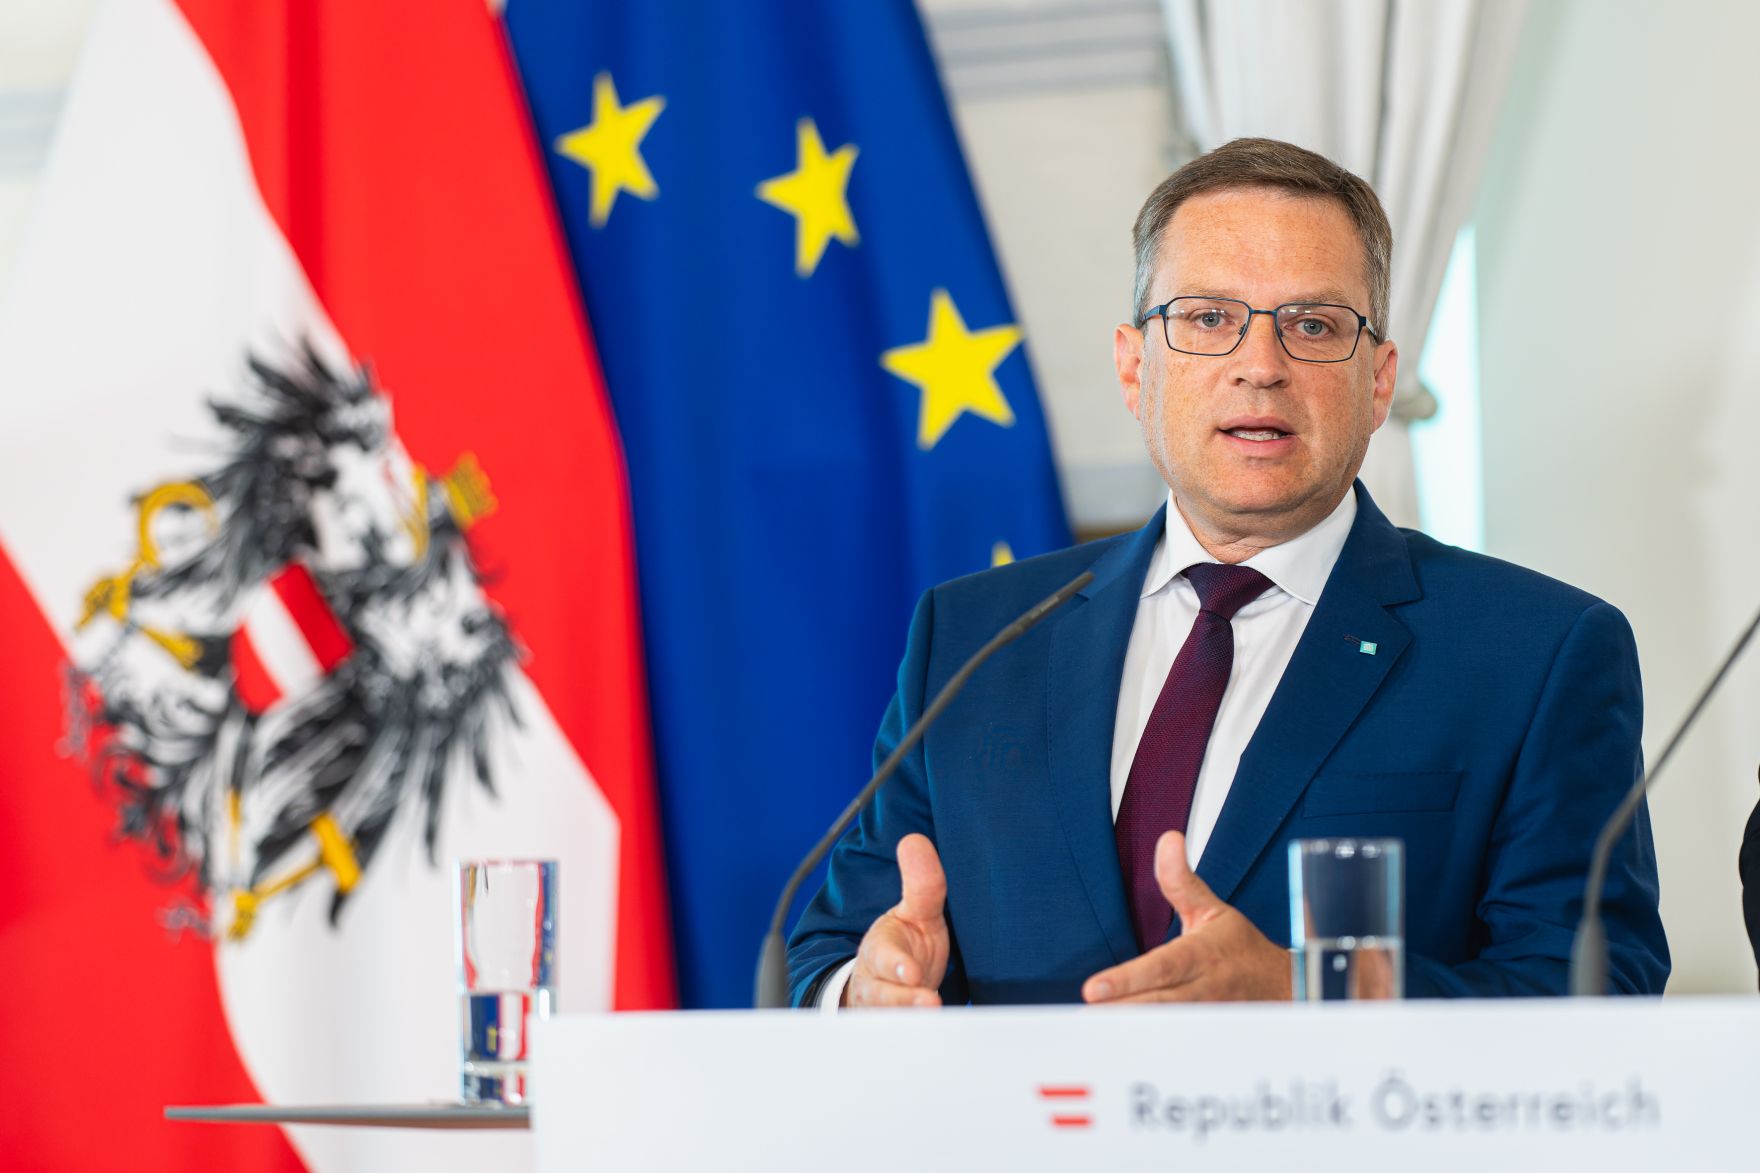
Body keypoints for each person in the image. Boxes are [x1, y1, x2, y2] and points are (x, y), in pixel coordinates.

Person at [786, 138, 1668, 1007]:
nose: (1260, 366)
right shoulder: (975, 637)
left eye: (1313, 325)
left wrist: (1308, 991)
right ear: (1134, 366)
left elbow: (1598, 986)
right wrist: (864, 991)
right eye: (1209, 318)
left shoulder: (1537, 653)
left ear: (1378, 382)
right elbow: (831, 946)